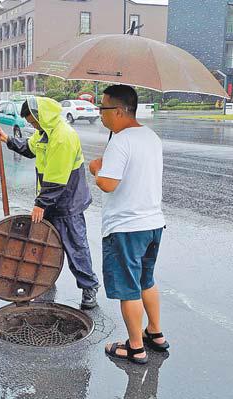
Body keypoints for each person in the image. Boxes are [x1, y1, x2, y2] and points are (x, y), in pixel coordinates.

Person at [88, 84, 170, 365]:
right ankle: (155, 333)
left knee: (129, 288)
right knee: (147, 279)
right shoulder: (151, 137)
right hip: (152, 224)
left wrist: (97, 169)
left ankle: (135, 347)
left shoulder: (121, 141)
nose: (100, 114)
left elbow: (108, 184)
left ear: (120, 111)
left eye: (104, 108)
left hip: (126, 227)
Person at [0, 96, 100, 309]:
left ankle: (89, 287)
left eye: (33, 121)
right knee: (42, 246)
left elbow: (57, 179)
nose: (33, 125)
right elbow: (30, 149)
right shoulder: (44, 133)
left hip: (67, 202)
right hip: (51, 200)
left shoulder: (63, 136)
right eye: (31, 123)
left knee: (75, 247)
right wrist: (8, 139)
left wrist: (40, 204)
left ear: (43, 116)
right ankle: (45, 284)